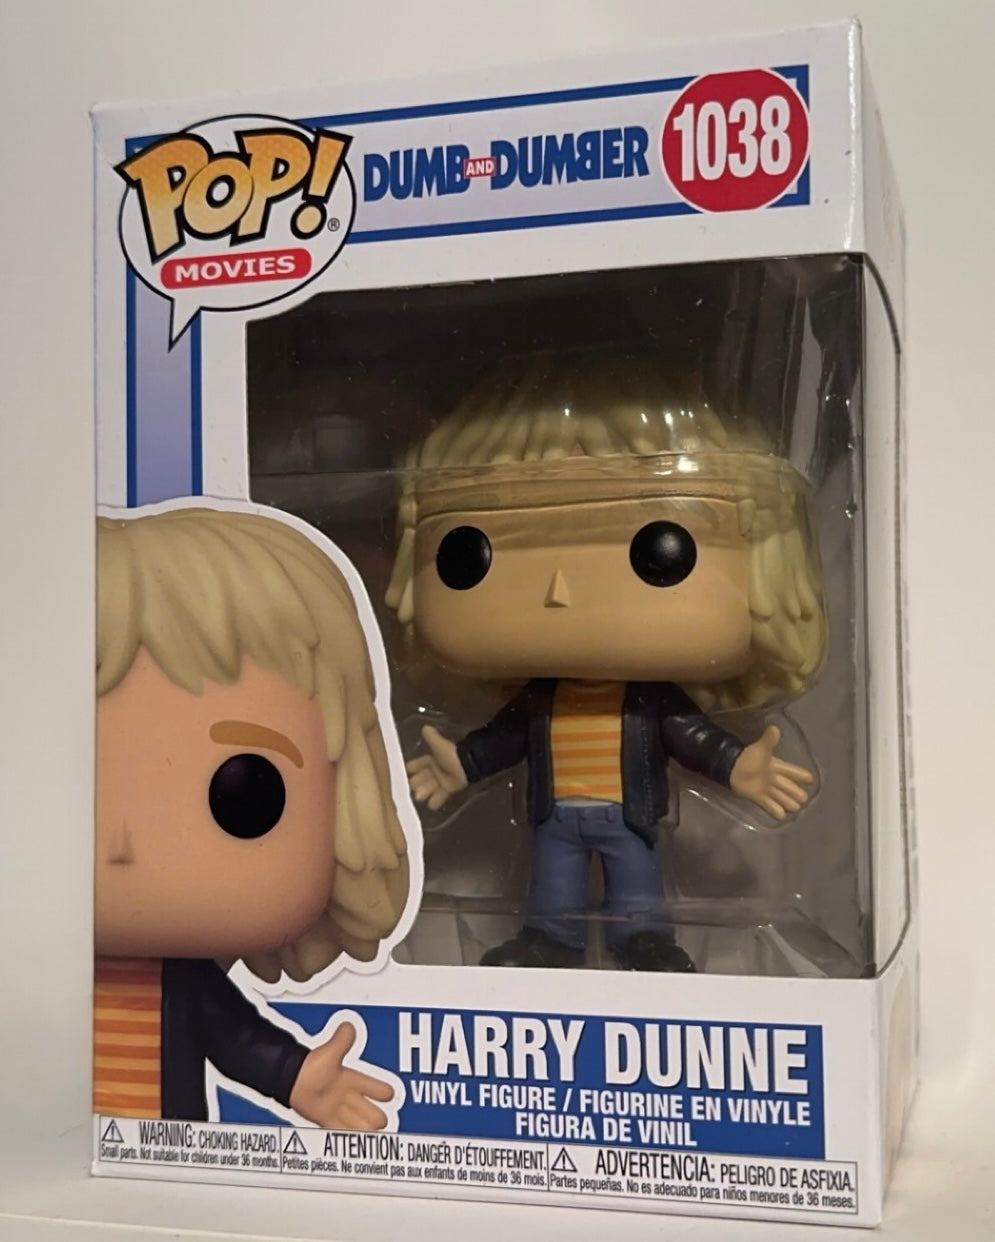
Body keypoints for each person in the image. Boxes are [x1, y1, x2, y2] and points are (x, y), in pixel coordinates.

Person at [387, 353, 827, 971]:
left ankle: (644, 939)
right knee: (553, 883)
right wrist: (462, 765)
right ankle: (551, 939)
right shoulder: (542, 700)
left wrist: (737, 767)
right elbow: (507, 736)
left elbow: (690, 734)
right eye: (469, 553)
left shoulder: (648, 701)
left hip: (629, 815)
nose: (559, 590)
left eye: (659, 550)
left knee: (637, 882)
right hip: (555, 815)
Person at [95, 505, 413, 1125]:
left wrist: (299, 1078)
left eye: (243, 796)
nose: (119, 843)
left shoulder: (181, 983)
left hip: (157, 1161)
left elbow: (239, 1041)